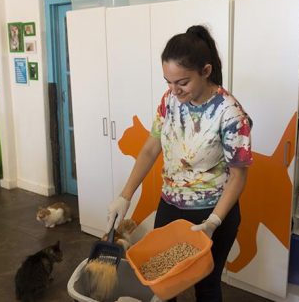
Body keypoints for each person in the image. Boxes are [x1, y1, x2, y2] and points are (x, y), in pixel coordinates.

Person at [106, 25, 252, 302]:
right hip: (171, 207)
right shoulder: (169, 101)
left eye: (182, 82)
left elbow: (238, 177)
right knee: (161, 283)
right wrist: (125, 195)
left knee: (207, 286)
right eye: (168, 82)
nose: (174, 90)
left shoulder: (231, 114)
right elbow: (151, 148)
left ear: (206, 71)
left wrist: (213, 222)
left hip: (213, 212)